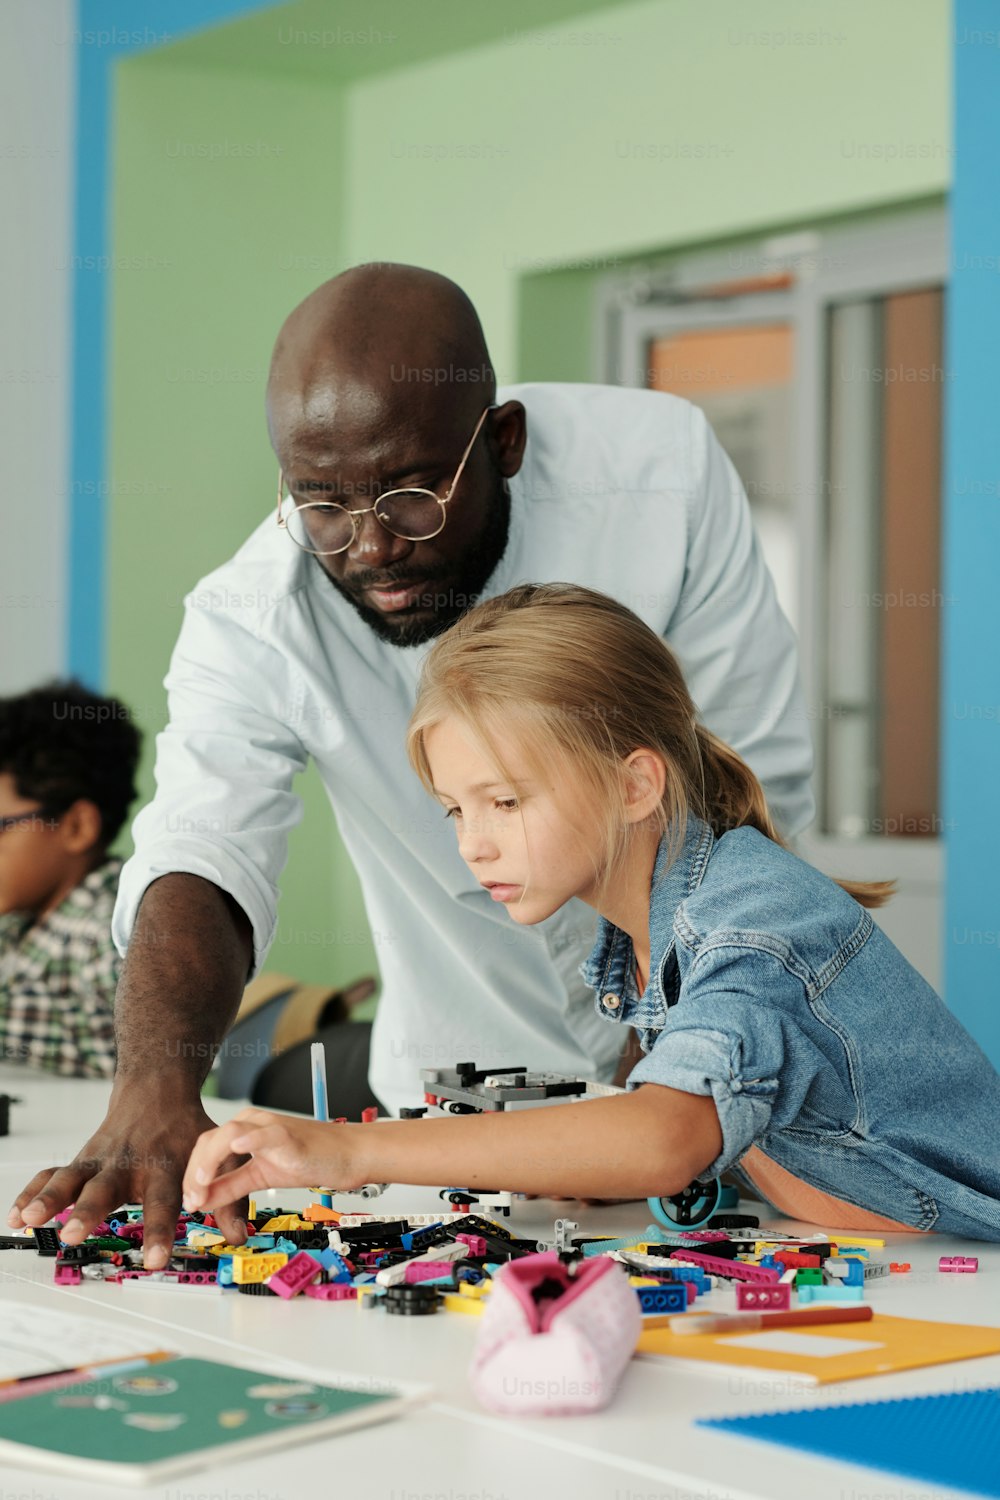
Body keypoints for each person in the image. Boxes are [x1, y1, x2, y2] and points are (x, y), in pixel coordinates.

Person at [10, 262, 814, 1266]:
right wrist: (153, 1091)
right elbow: (202, 847)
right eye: (323, 507)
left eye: (410, 497)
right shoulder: (251, 615)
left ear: (504, 443)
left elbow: (748, 774)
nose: (372, 549)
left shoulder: (658, 478)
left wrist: (678, 1048)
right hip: (452, 1111)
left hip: (713, 1091)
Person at [182, 584, 1000, 1239]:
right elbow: (705, 1138)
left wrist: (350, 1150)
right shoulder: (640, 930)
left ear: (635, 784)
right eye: (456, 811)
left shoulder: (755, 927)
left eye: (504, 801)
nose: (474, 846)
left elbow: (663, 1140)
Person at [0, 681, 141, 1078]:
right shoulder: (17, 923)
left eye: (1, 826)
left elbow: (137, 1062)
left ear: (77, 826)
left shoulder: (117, 931)